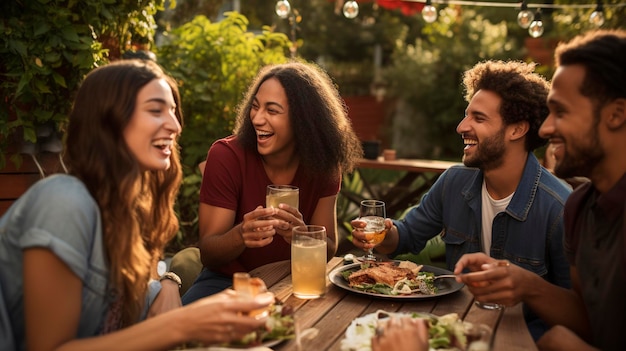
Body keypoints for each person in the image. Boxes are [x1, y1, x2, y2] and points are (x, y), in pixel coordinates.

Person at [0, 60, 274, 351]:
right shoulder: (64, 202)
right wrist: (185, 322)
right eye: (156, 110)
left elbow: (130, 301)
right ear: (109, 121)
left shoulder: (123, 213)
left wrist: (167, 283)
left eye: (172, 111)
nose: (175, 125)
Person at [351, 60, 572, 340]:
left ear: (517, 129)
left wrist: (529, 288)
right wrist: (384, 233)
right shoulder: (454, 182)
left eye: (478, 119)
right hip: (454, 331)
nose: (461, 127)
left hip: (523, 340)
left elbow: (579, 314)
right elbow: (406, 236)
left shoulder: (560, 208)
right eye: (466, 115)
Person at [454, 29, 626, 351]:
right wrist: (527, 285)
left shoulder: (558, 204)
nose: (545, 129)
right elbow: (590, 320)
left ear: (616, 114)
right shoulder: (580, 207)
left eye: (561, 112)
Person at [182, 62, 363, 304]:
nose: (257, 118)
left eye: (272, 110)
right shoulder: (226, 156)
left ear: (303, 120)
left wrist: (302, 236)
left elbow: (329, 248)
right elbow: (209, 252)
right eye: (255, 107)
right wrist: (240, 235)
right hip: (229, 283)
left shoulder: (324, 164)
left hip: (295, 280)